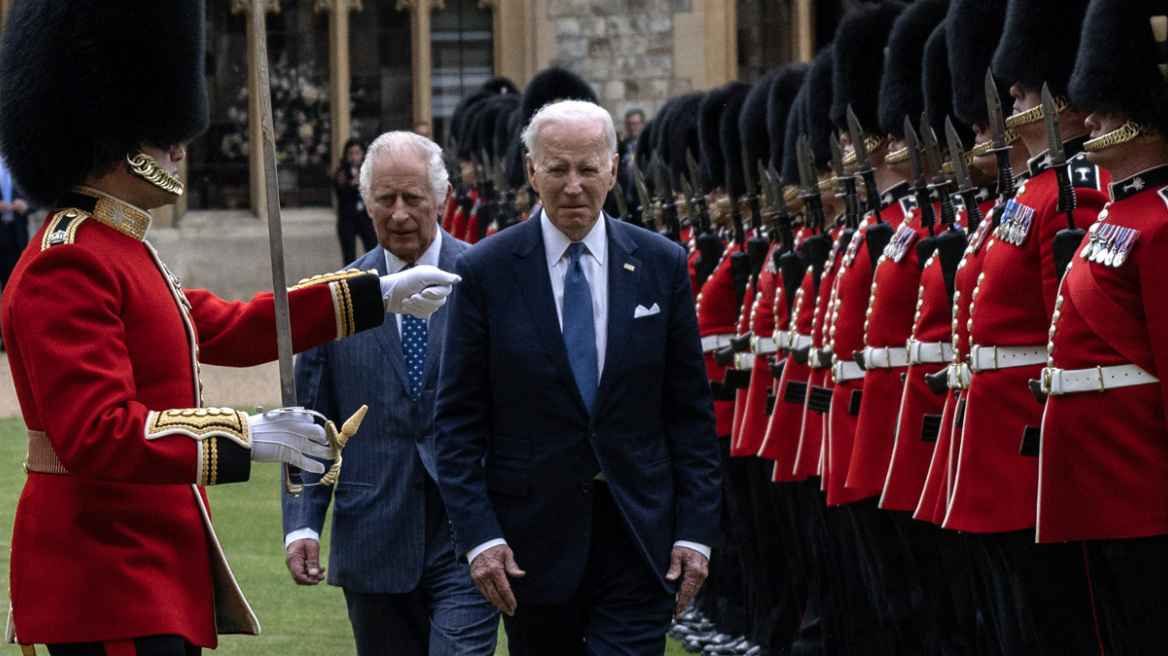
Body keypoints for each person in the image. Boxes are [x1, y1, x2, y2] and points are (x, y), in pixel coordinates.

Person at [0, 1, 459, 654]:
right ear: (109, 132)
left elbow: (236, 328)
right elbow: (98, 435)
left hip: (147, 565)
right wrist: (252, 434)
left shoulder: (120, 247)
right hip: (103, 576)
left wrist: (375, 295)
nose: (177, 147)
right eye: (160, 132)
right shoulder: (69, 261)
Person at [433, 99, 723, 656]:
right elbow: (458, 424)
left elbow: (689, 413)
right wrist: (481, 539)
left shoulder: (661, 265)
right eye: (557, 169)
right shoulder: (485, 271)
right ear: (530, 171)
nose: (573, 186)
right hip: (529, 544)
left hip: (640, 536)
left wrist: (695, 533)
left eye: (588, 170)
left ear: (614, 170)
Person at [281, 131, 498, 656]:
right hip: (373, 533)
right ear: (365, 201)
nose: (399, 214)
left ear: (441, 199)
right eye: (385, 200)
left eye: (413, 199)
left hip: (468, 535)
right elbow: (313, 424)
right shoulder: (333, 300)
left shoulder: (490, 281)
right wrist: (302, 524)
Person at [1036, 0, 1168, 653]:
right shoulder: (1116, 219)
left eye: (1109, 111)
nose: (1089, 121)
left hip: (1139, 475)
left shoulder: (1162, 223)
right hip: (1097, 472)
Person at [334, 138, 378, 266]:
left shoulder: (368, 172)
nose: (354, 157)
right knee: (349, 257)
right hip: (348, 219)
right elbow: (340, 195)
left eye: (357, 153)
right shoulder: (341, 173)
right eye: (351, 153)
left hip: (366, 218)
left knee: (373, 251)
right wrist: (350, 185)